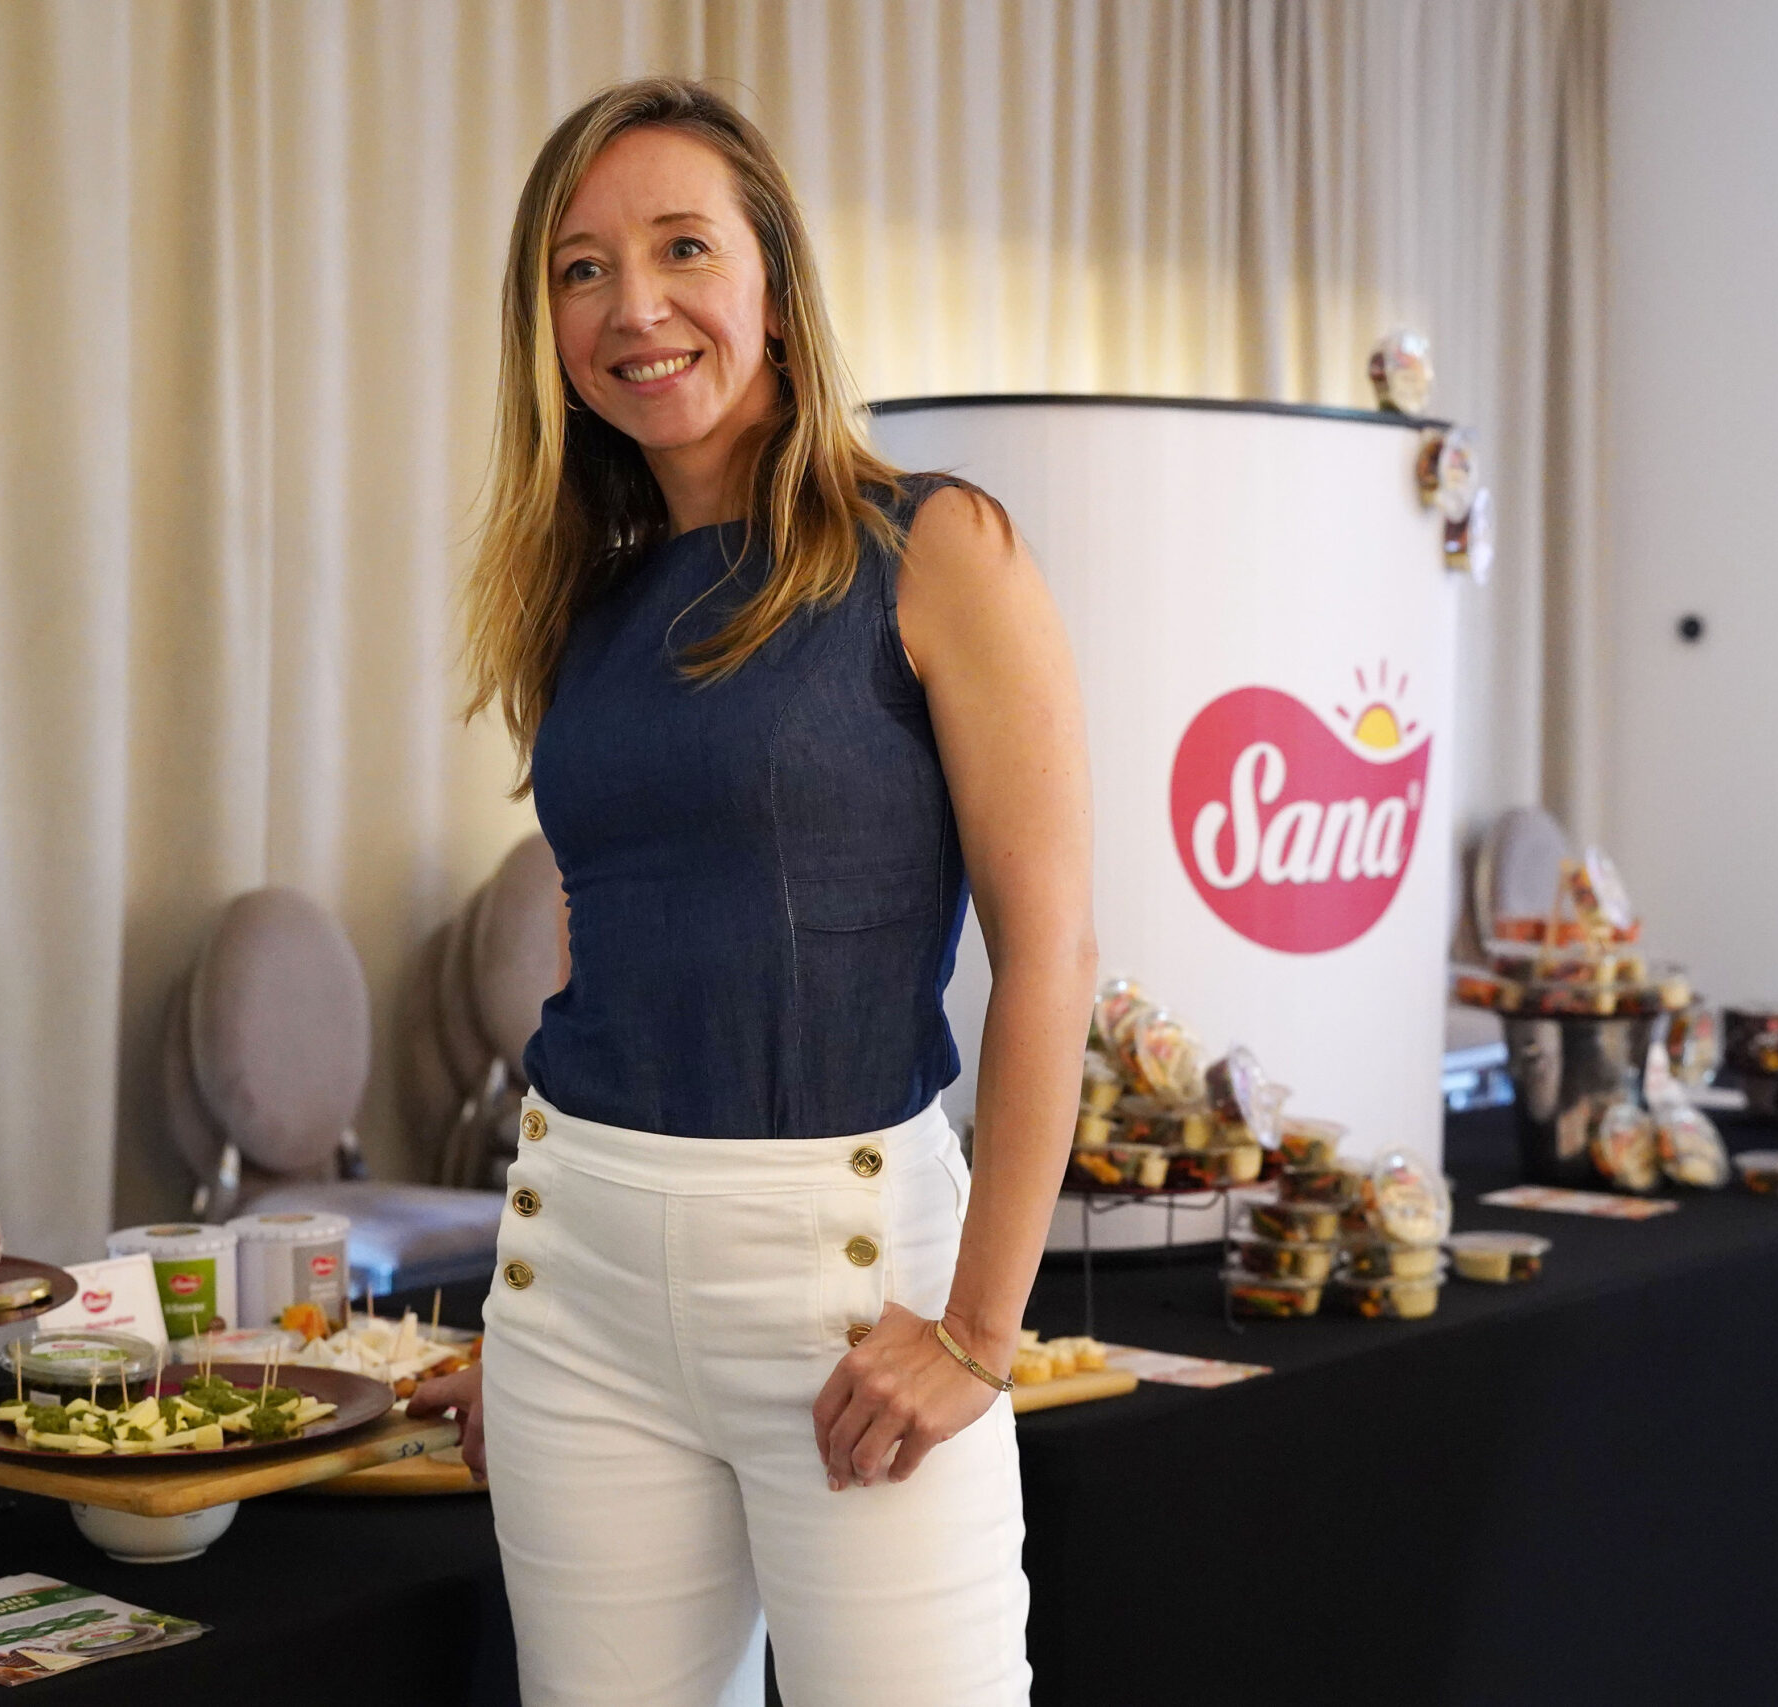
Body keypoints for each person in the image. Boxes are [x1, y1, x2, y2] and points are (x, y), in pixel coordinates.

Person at [409, 75, 1092, 1707]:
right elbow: (606, 936)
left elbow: (1052, 952)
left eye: (682, 249)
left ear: (775, 286)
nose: (632, 308)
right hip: (576, 1278)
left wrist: (979, 1333)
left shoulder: (938, 547)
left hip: (848, 1278)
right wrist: (536, 1321)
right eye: (580, 269)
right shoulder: (584, 600)